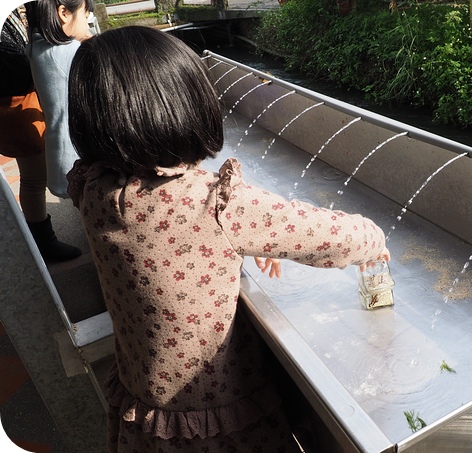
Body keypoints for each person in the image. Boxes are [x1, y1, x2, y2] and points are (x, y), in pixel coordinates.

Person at [66, 26, 390, 452]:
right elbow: (330, 237)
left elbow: (172, 247)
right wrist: (374, 236)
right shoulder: (213, 204)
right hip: (218, 418)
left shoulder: (91, 188)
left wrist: (231, 247)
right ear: (182, 109)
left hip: (144, 407)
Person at [0, 7, 81, 262]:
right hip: (17, 104)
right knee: (34, 179)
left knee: (34, 178)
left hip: (21, 101)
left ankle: (42, 241)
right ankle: (44, 242)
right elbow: (13, 66)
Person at [25, 0, 94, 198]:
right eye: (85, 15)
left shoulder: (36, 47)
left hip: (59, 156)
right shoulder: (72, 52)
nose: (87, 24)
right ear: (64, 13)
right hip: (80, 159)